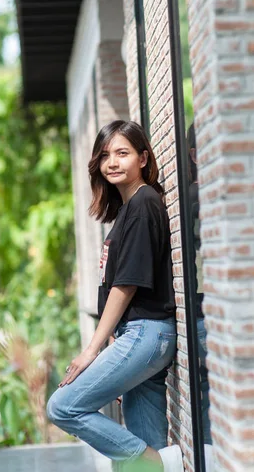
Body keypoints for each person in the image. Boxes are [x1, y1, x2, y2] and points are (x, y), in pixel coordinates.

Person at [47, 120, 183, 472]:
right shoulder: (128, 209)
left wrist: (92, 352)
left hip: (146, 333)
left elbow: (127, 285)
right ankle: (160, 462)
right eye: (105, 155)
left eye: (123, 153)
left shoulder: (143, 203)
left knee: (63, 406)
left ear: (143, 158)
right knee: (145, 453)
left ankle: (166, 463)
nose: (112, 162)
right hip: (139, 337)